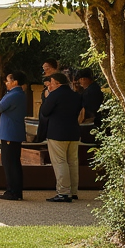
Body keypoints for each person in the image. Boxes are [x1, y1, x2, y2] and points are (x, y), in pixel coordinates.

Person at [37, 71, 83, 202]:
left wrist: (47, 97)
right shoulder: (76, 95)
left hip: (57, 133)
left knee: (60, 162)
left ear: (57, 83)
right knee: (73, 162)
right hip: (73, 132)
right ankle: (73, 191)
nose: (49, 86)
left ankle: (63, 192)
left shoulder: (54, 95)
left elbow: (45, 111)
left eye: (50, 83)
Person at [0, 70, 28, 201]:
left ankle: (12, 191)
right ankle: (15, 190)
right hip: (12, 133)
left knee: (10, 163)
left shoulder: (13, 95)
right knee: (13, 163)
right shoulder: (19, 94)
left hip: (10, 134)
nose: (6, 83)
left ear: (15, 82)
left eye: (8, 80)